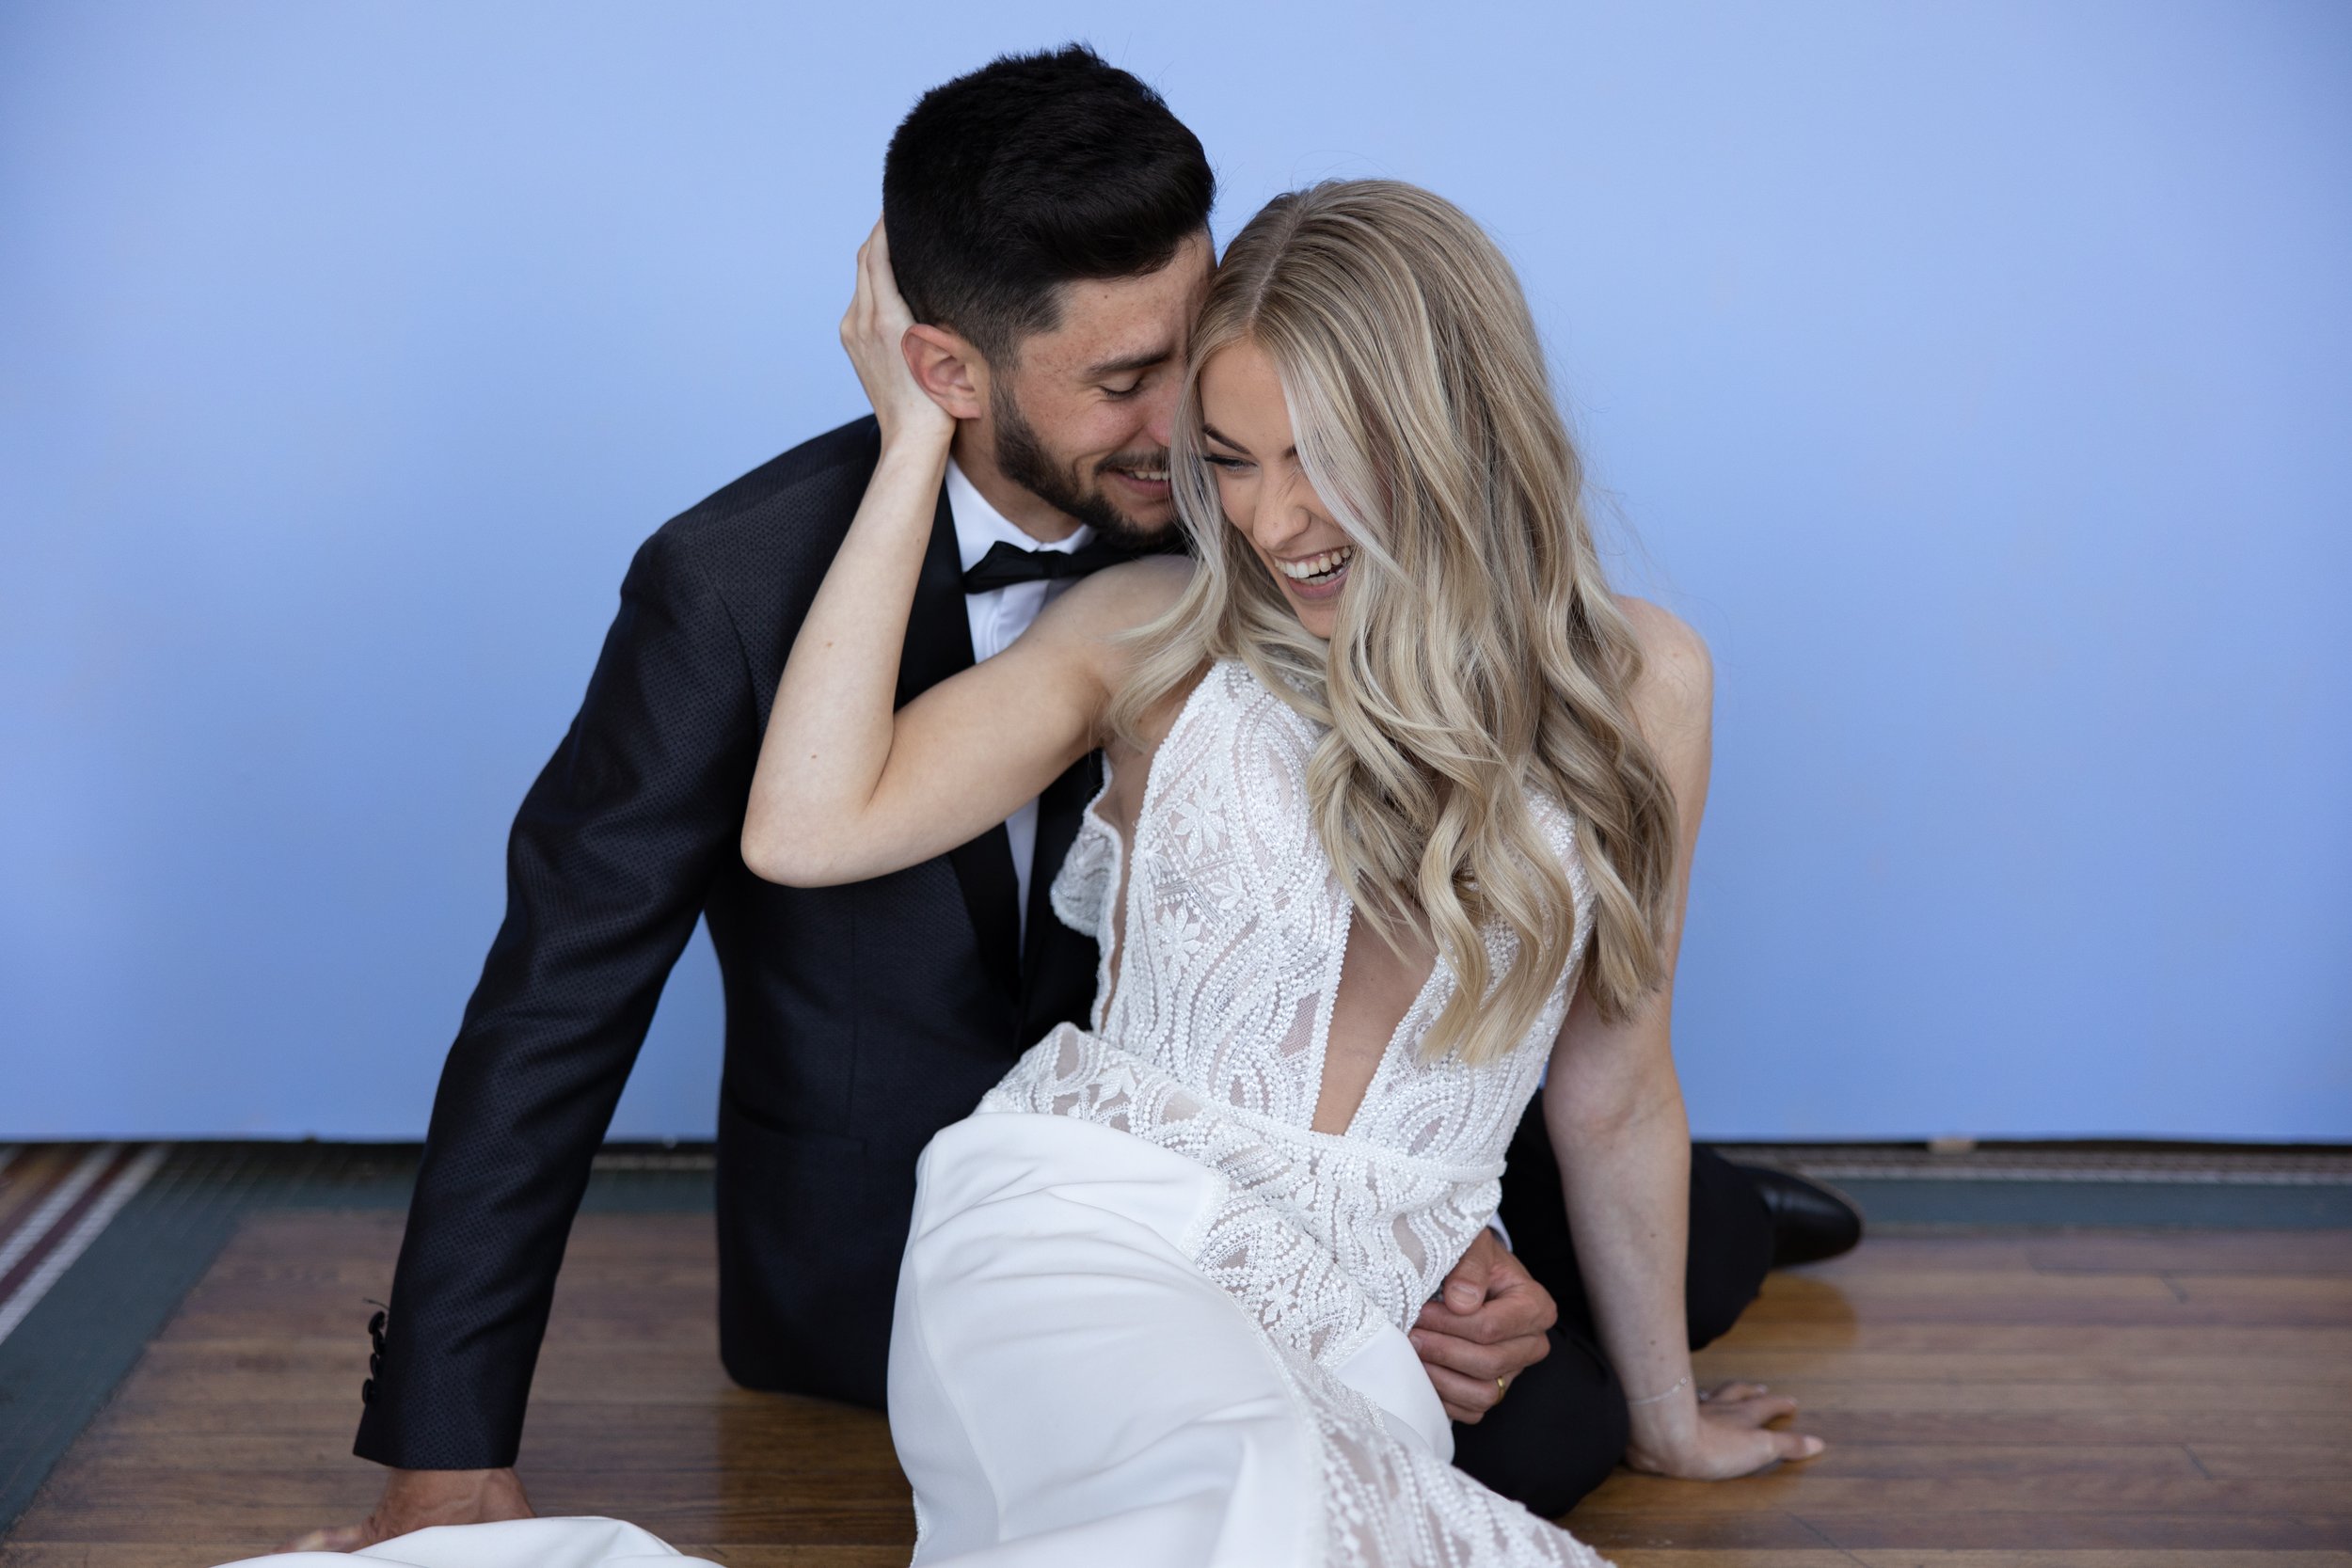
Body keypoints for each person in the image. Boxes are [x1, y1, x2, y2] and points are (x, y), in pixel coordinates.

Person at [268, 47, 1853, 1563]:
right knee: (1391, 1466)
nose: (1192, 438)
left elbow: (1592, 1066)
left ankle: (1684, 1235)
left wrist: (1475, 1245)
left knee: (1620, 1271)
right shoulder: (746, 587)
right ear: (949, 365)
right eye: (1134, 386)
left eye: (1204, 357)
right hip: (1001, 1224)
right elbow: (560, 1007)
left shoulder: (1285, 533)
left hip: (1367, 1192)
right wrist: (444, 1449)